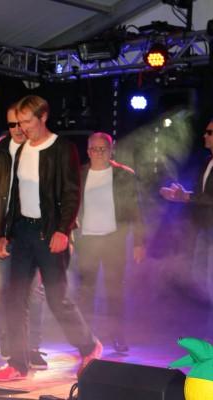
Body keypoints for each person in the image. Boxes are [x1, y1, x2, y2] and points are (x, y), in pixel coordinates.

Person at [0, 95, 101, 382]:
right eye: (19, 122)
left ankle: (89, 346)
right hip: (23, 232)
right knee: (14, 298)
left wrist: (63, 230)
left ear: (43, 117)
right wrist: (5, 234)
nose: (22, 128)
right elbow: (15, 196)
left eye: (27, 121)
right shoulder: (20, 149)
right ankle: (18, 363)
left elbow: (71, 193)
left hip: (50, 232)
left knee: (56, 298)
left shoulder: (62, 149)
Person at [0, 105, 47, 369]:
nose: (17, 129)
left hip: (31, 231)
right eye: (11, 125)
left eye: (21, 124)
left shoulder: (42, 149)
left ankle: (31, 346)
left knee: (32, 292)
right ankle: (11, 338)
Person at [160, 117, 213, 335]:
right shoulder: (208, 162)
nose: (205, 136)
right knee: (199, 277)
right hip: (206, 226)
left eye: (210, 132)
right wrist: (178, 196)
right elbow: (200, 195)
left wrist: (186, 197)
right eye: (206, 132)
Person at [75, 132, 145, 353]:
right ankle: (85, 339)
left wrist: (138, 242)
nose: (98, 153)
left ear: (111, 150)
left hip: (114, 241)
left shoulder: (124, 175)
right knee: (85, 292)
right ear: (88, 151)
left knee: (115, 292)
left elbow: (135, 210)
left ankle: (117, 336)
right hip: (87, 241)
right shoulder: (78, 175)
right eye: (94, 149)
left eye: (102, 149)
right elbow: (69, 206)